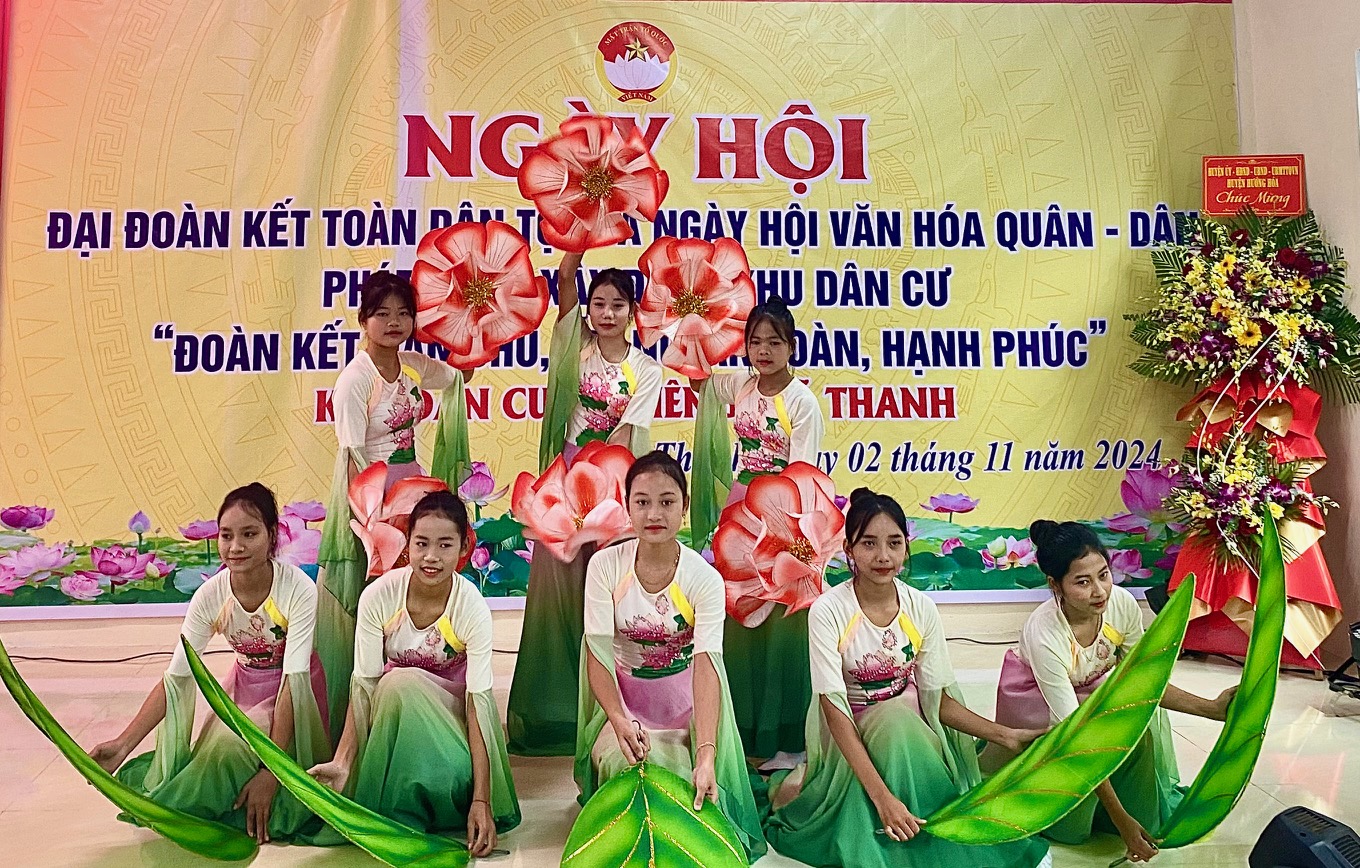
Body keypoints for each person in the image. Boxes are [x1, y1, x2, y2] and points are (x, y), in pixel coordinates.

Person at [765, 489, 1050, 868]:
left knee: (900, 716)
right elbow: (833, 710)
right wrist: (882, 798)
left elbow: (938, 700)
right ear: (849, 549)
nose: (883, 556)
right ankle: (898, 822)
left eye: (894, 543)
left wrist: (1005, 735)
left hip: (910, 724)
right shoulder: (828, 611)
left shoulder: (921, 607)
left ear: (906, 547)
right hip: (849, 729)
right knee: (894, 720)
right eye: (869, 543)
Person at [90, 483, 330, 844]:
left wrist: (272, 771)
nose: (236, 547)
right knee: (219, 750)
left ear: (272, 535)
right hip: (243, 688)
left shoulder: (297, 589)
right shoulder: (211, 594)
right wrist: (123, 745)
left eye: (249, 534)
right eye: (226, 535)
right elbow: (177, 677)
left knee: (232, 750)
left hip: (295, 694)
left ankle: (264, 789)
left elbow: (294, 679)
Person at [992, 519, 1238, 863]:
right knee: (1071, 828)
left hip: (1093, 691)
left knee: (1138, 727)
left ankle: (1123, 809)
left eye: (1104, 575)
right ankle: (1101, 813)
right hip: (1042, 708)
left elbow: (1143, 682)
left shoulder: (1120, 604)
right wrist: (1123, 822)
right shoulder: (1044, 634)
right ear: (1055, 585)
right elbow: (1077, 740)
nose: (1099, 591)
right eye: (1082, 582)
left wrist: (1211, 709)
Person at [575, 451, 766, 862]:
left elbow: (707, 666)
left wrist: (706, 752)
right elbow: (597, 655)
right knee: (626, 770)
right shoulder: (605, 566)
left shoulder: (704, 578)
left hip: (688, 706)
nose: (654, 514)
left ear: (684, 506)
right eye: (642, 502)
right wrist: (618, 720)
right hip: (623, 705)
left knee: (684, 782)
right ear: (627, 506)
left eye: (667, 501)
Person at [507, 250, 662, 756]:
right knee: (555, 589)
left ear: (633, 311)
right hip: (565, 482)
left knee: (608, 595)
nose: (607, 313)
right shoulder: (575, 348)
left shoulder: (646, 369)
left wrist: (606, 491)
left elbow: (626, 434)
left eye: (618, 304)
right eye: (599, 303)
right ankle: (552, 714)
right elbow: (566, 283)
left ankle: (608, 713)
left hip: (614, 481)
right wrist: (576, 239)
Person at [308, 490, 519, 855]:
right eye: (421, 543)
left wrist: (482, 799)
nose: (431, 557)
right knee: (393, 685)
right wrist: (343, 763)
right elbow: (364, 687)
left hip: (451, 737)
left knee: (399, 681)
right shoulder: (379, 596)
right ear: (407, 543)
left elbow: (478, 704)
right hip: (393, 728)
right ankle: (397, 811)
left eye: (445, 545)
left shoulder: (470, 606)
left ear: (464, 546)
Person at [315, 271, 470, 742]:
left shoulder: (410, 365)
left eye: (403, 313)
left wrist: (474, 326)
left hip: (414, 493)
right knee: (379, 600)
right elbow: (351, 455)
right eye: (382, 313)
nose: (394, 322)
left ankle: (420, 696)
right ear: (363, 319)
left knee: (415, 595)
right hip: (376, 499)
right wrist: (371, 521)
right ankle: (369, 711)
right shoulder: (355, 380)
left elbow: (457, 376)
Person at [704, 295, 825, 758]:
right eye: (755, 342)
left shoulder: (802, 401)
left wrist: (785, 535)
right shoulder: (741, 385)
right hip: (740, 509)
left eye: (775, 342)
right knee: (740, 610)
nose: (764, 351)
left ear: (792, 346)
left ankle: (781, 731)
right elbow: (698, 377)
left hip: (782, 515)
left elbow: (803, 474)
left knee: (779, 618)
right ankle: (742, 726)